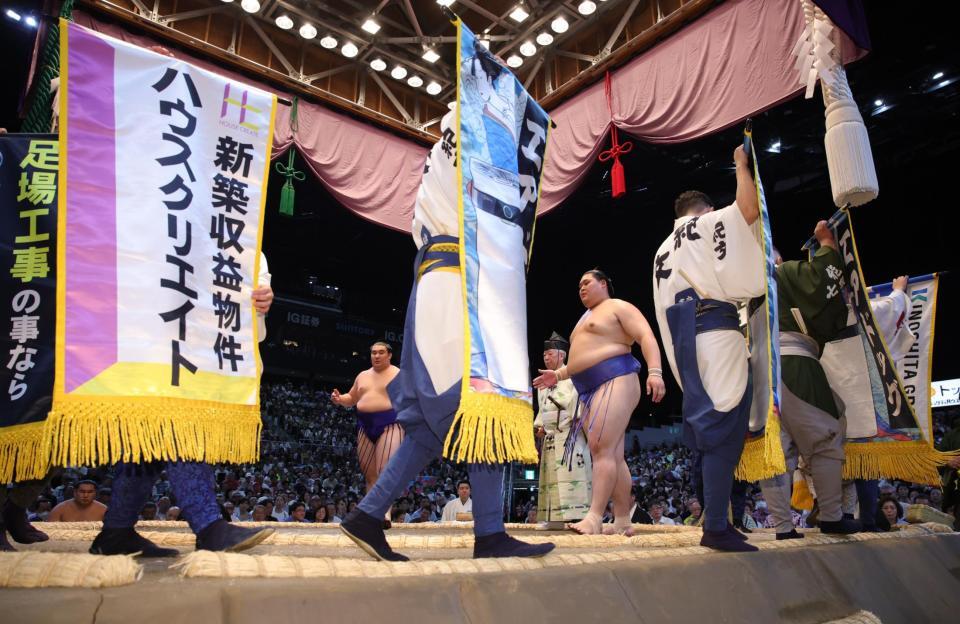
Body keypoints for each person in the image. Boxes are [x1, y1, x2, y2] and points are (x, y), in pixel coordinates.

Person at [339, 110, 554, 561]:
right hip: (456, 280)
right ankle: (491, 534)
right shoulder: (472, 136)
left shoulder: (444, 153)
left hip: (442, 279)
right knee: (484, 407)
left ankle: (367, 514)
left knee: (428, 432)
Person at [88, 255, 276, 557]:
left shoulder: (240, 235)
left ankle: (117, 530)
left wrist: (261, 300)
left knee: (149, 443)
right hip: (150, 336)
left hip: (198, 350)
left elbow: (254, 292)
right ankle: (207, 526)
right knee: (171, 432)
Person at [651, 147, 764, 553]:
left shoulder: (662, 249)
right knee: (724, 427)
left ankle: (717, 521)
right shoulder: (708, 223)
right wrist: (741, 165)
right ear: (705, 210)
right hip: (714, 327)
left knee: (711, 428)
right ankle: (716, 525)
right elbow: (747, 211)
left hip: (683, 338)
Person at [534, 270, 665, 536]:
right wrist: (558, 374)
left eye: (587, 282)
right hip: (591, 387)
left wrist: (655, 372)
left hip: (617, 376)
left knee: (600, 449)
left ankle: (593, 517)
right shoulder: (584, 319)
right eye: (579, 284)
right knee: (613, 455)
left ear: (603, 284)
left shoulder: (618, 306)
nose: (581, 288)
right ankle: (621, 521)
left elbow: (646, 336)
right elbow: (582, 358)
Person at [774, 221, 859, 535]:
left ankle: (783, 525)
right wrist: (826, 244)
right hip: (793, 363)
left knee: (776, 452)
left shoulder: (737, 292)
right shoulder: (778, 273)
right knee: (825, 438)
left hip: (755, 372)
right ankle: (832, 517)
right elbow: (820, 279)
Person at [332, 341, 403, 525]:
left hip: (390, 423)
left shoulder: (399, 374)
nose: (376, 356)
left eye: (381, 352)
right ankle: (372, 513)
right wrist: (340, 399)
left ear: (389, 355)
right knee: (370, 474)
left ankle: (385, 513)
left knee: (385, 470)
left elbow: (411, 396)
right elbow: (352, 398)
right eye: (373, 353)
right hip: (364, 424)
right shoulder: (362, 376)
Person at [534, 332, 591, 529]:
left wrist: (577, 418)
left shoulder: (574, 376)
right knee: (551, 480)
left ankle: (578, 518)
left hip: (570, 435)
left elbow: (580, 401)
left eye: (550, 354)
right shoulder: (542, 383)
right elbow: (542, 408)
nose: (546, 357)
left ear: (562, 355)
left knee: (571, 478)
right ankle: (554, 519)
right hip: (550, 437)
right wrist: (540, 425)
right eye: (544, 355)